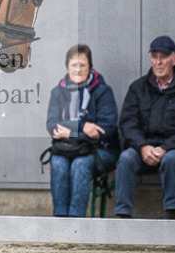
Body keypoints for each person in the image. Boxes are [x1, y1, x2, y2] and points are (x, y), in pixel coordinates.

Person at [114, 36, 175, 219]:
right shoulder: (137, 88)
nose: (158, 62)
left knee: (171, 159)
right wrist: (143, 146)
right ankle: (122, 215)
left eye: (163, 57)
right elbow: (128, 123)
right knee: (126, 158)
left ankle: (171, 215)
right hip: (144, 149)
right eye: (154, 57)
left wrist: (165, 147)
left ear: (174, 59)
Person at [45, 44, 119, 217]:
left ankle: (76, 222)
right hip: (66, 149)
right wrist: (82, 126)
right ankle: (60, 220)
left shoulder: (103, 91)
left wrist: (70, 131)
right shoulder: (58, 92)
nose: (78, 70)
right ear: (67, 67)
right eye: (74, 65)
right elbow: (53, 125)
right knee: (58, 163)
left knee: (80, 164)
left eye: (82, 65)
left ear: (90, 67)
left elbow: (105, 129)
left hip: (100, 150)